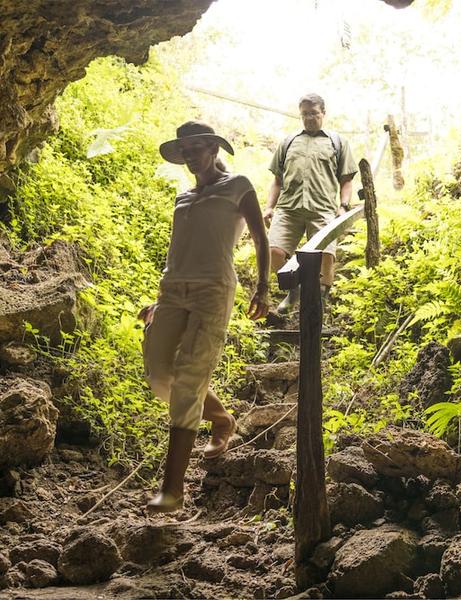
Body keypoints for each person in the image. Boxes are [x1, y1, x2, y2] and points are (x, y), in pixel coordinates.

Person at [141, 120, 270, 513]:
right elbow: (178, 250)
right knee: (158, 371)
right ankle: (221, 419)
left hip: (213, 291)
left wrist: (262, 287)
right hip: (172, 291)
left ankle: (172, 491)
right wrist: (158, 301)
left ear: (214, 149)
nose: (191, 156)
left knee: (190, 377)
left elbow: (261, 237)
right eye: (186, 151)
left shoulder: (239, 185)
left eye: (197, 148)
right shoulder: (184, 197)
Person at [263, 93, 357, 312]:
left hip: (322, 209)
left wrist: (343, 205)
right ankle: (293, 290)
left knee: (326, 256)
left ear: (323, 113)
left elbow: (346, 180)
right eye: (305, 114)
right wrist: (269, 207)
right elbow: (277, 180)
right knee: (273, 252)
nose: (309, 118)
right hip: (288, 208)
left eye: (314, 113)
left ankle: (321, 298)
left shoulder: (337, 142)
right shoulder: (288, 142)